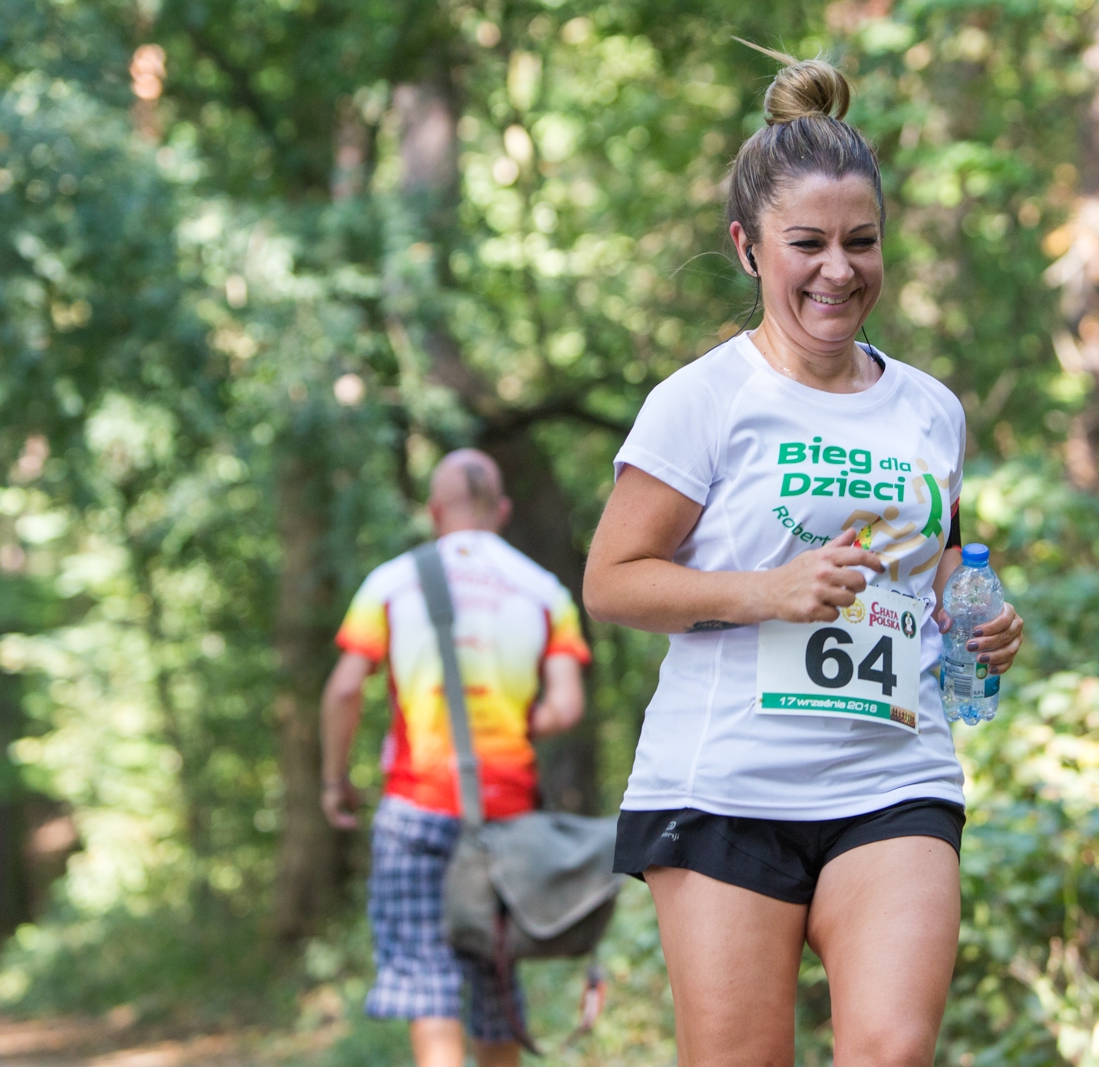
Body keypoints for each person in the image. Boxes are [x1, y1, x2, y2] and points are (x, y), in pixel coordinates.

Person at [582, 54, 1025, 1067]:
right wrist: (767, 592)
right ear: (749, 247)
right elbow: (611, 580)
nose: (838, 269)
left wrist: (978, 614)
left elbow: (937, 558)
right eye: (808, 244)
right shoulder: (703, 400)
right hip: (726, 783)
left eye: (861, 242)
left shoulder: (930, 407)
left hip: (895, 771)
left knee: (891, 1049)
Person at [320, 449, 591, 1067]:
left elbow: (344, 689)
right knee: (496, 983)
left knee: (427, 986)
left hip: (415, 806)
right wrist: (513, 720)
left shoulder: (392, 582)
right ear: (502, 511)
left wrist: (335, 779)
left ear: (434, 511)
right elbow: (565, 707)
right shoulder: (544, 591)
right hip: (507, 816)